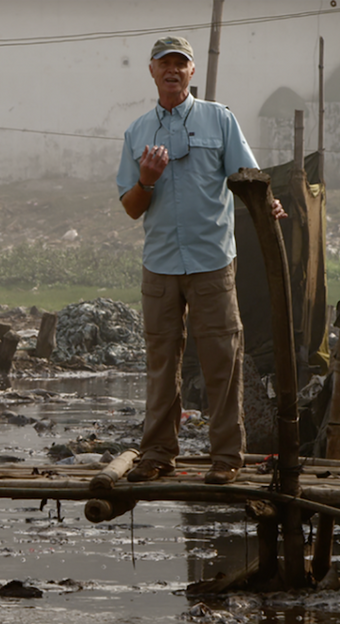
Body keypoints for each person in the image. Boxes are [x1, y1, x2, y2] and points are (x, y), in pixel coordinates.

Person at [116, 36, 286, 485]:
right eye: (163, 63)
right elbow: (132, 207)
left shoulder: (219, 119)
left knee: (222, 360)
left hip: (212, 260)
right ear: (151, 71)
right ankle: (156, 455)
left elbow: (248, 179)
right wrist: (147, 180)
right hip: (160, 264)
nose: (172, 70)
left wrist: (270, 206)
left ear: (192, 73)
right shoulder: (136, 133)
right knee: (161, 363)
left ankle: (227, 457)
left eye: (180, 64)